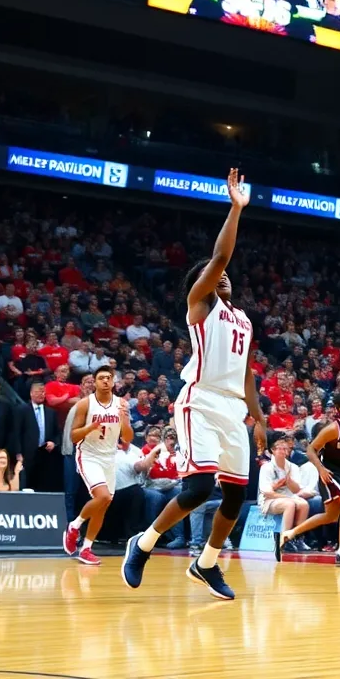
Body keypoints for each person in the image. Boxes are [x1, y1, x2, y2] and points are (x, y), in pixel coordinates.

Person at [122, 169, 267, 600]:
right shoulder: (200, 307)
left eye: (223, 275)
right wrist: (236, 208)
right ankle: (143, 544)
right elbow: (220, 258)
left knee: (237, 496)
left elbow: (246, 373)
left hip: (232, 408)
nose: (221, 275)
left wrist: (258, 419)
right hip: (199, 402)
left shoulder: (242, 319)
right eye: (212, 274)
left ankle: (206, 564)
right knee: (199, 488)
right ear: (202, 285)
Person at [274, 391, 340, 566]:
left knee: (330, 517)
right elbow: (310, 449)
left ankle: (288, 534)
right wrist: (321, 469)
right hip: (329, 473)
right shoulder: (333, 429)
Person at [63, 365, 132, 565]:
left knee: (103, 504)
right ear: (94, 381)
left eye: (108, 378)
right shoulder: (85, 404)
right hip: (89, 455)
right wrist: (90, 427)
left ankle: (86, 549)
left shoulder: (121, 405)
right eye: (100, 377)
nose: (104, 381)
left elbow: (127, 438)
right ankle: (74, 526)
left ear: (113, 382)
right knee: (101, 496)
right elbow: (73, 436)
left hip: (110, 457)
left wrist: (124, 421)